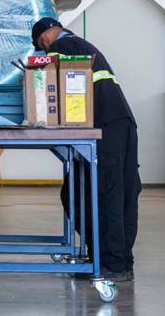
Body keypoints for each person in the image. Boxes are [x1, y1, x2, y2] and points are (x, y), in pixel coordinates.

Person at [32, 17, 140, 282]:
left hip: (104, 128)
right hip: (119, 123)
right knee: (115, 192)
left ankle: (111, 264)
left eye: (41, 46)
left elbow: (51, 89)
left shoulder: (64, 47)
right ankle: (115, 261)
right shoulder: (82, 45)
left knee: (99, 194)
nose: (45, 51)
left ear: (44, 38)